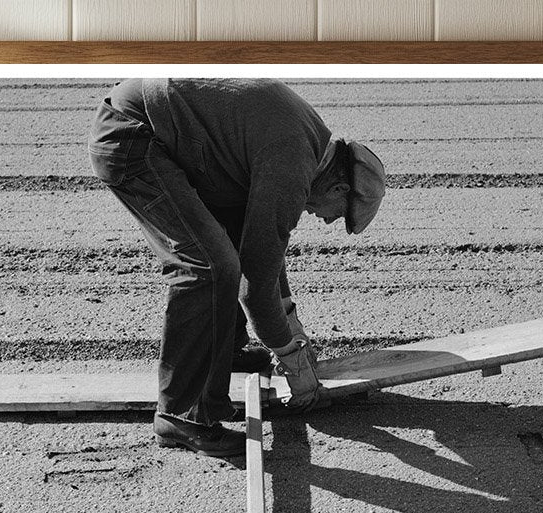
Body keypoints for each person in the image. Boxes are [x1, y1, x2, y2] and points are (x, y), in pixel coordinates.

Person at [88, 77, 386, 458]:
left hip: (159, 132)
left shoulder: (308, 144)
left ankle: (223, 353)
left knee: (229, 240)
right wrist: (293, 360)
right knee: (209, 266)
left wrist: (291, 327)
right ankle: (182, 415)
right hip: (132, 136)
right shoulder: (293, 163)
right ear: (339, 189)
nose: (327, 220)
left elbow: (263, 251)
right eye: (338, 215)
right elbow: (255, 287)